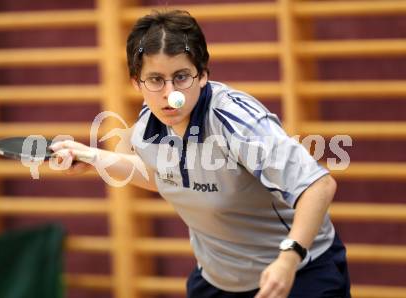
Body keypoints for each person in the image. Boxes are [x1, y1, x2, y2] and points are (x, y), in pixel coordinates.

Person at [50, 10, 351, 298]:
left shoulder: (235, 121)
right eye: (155, 80)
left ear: (203, 75)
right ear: (136, 82)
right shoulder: (148, 126)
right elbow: (167, 177)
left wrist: (289, 258)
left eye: (181, 76)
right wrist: (92, 158)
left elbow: (318, 186)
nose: (170, 94)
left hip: (299, 272)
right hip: (218, 281)